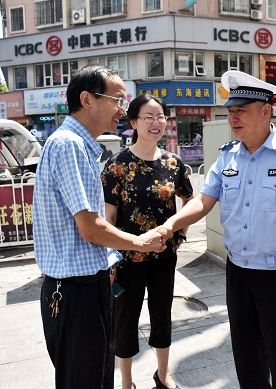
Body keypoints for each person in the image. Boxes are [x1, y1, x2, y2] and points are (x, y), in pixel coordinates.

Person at [160, 70, 276, 389]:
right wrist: (171, 224)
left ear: (266, 111)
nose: (233, 118)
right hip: (239, 276)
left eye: (241, 111)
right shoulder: (227, 158)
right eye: (230, 112)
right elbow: (204, 201)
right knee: (247, 361)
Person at [33, 65, 167, 389]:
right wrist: (142, 242)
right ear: (87, 99)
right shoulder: (69, 145)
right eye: (117, 100)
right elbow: (91, 228)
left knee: (98, 378)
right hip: (74, 294)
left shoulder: (82, 147)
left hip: (89, 288)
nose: (123, 109)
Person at [102, 94, 194, 389]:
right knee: (124, 320)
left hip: (163, 259)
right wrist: (112, 258)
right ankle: (127, 381)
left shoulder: (173, 163)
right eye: (148, 117)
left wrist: (179, 235)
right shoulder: (117, 165)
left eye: (161, 117)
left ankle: (163, 373)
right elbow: (108, 217)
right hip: (126, 261)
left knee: (162, 315)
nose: (156, 123)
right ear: (133, 123)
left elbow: (191, 200)